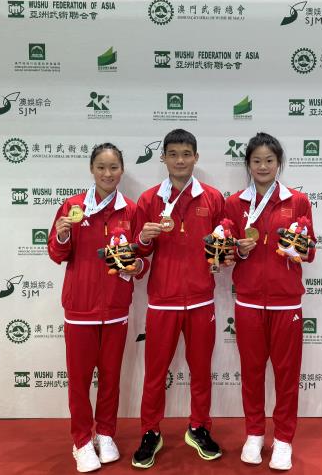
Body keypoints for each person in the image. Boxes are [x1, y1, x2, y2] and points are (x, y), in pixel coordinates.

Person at [48, 143, 148, 473]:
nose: (108, 174)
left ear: (122, 171)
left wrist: (136, 267)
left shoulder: (131, 210)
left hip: (116, 309)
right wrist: (63, 235)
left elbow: (140, 260)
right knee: (79, 382)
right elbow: (57, 254)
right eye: (101, 167)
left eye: (114, 167)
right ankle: (80, 441)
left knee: (110, 378)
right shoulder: (73, 207)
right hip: (80, 309)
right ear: (92, 169)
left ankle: (105, 434)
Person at [131, 129, 225, 469]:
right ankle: (150, 432)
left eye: (186, 153)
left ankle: (199, 427)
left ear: (196, 157)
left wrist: (224, 254)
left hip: (201, 300)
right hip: (162, 301)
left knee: (201, 371)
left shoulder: (212, 198)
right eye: (173, 154)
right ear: (164, 158)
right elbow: (137, 252)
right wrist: (144, 237)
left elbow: (223, 242)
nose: (180, 160)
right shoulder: (149, 200)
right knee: (155, 373)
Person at [224, 132, 316, 471]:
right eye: (256, 161)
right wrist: (237, 250)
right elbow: (224, 253)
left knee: (286, 375)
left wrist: (297, 248)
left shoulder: (298, 201)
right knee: (251, 372)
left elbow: (310, 251)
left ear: (279, 163)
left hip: (286, 302)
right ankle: (254, 433)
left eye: (269, 161)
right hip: (248, 301)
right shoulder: (235, 203)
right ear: (247, 164)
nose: (263, 167)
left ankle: (284, 439)